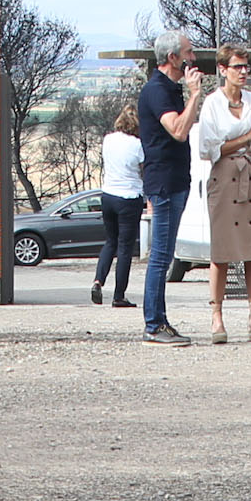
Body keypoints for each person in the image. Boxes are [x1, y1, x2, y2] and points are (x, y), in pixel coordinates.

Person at [193, 48, 251, 343]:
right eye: (237, 67)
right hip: (224, 177)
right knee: (222, 251)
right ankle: (217, 316)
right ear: (223, 69)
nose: (243, 72)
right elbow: (209, 148)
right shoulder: (212, 103)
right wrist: (245, 137)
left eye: (246, 67)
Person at [136, 30, 205, 345]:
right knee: (161, 256)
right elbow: (178, 129)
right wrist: (194, 95)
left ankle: (160, 320)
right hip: (163, 182)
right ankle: (153, 324)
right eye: (188, 52)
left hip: (177, 180)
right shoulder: (157, 90)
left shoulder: (171, 89)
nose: (193, 58)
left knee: (164, 254)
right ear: (172, 57)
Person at [93, 103, 144, 308]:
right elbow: (144, 168)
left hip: (108, 196)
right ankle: (119, 295)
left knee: (110, 242)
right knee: (124, 248)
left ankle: (98, 281)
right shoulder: (138, 145)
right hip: (129, 197)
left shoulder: (108, 139)